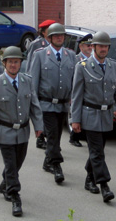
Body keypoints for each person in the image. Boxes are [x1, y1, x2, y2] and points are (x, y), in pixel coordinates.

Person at [0, 46, 43, 217]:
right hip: (4, 131)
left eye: (16, 62)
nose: (13, 65)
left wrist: (38, 126)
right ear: (4, 63)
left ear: (20, 63)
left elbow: (34, 105)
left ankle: (5, 183)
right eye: (10, 62)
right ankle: (15, 196)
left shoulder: (27, 81)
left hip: (23, 131)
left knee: (17, 163)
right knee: (11, 164)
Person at [71, 31, 116, 202]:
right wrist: (75, 119)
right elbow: (77, 95)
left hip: (106, 115)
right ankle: (104, 185)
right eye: (100, 46)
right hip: (89, 114)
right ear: (93, 47)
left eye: (106, 46)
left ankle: (89, 178)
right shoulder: (82, 66)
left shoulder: (114, 66)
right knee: (97, 152)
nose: (103, 49)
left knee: (98, 151)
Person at [29, 23, 77, 184]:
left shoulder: (71, 56)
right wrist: (34, 107)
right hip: (46, 104)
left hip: (63, 104)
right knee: (53, 134)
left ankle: (47, 161)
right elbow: (33, 82)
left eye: (61, 35)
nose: (59, 38)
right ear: (49, 38)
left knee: (55, 136)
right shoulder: (40, 55)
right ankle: (56, 165)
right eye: (55, 36)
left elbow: (75, 82)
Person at [25, 19, 55, 150]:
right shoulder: (36, 44)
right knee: (40, 112)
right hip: (39, 80)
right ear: (43, 32)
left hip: (51, 83)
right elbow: (30, 63)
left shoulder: (56, 44)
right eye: (49, 29)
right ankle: (41, 138)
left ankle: (47, 138)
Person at [69, 33, 93, 147]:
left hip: (90, 93)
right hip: (79, 93)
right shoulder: (76, 60)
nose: (90, 47)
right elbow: (71, 78)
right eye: (87, 45)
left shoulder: (94, 60)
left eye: (91, 45)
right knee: (78, 114)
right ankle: (74, 137)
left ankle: (87, 137)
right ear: (81, 47)